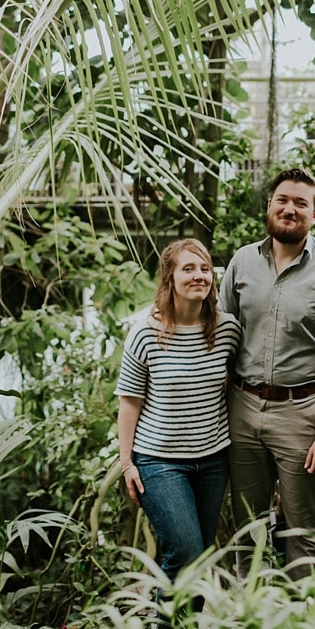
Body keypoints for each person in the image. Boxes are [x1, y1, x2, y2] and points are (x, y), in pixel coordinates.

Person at [218, 168, 315, 573]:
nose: (290, 208)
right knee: (245, 533)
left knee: (304, 536)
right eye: (283, 199)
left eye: (301, 203)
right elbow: (221, 336)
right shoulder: (243, 262)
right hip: (242, 410)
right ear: (270, 206)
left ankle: (302, 628)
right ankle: (252, 627)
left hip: (302, 415)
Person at [117, 239, 239, 597]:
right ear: (169, 277)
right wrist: (128, 464)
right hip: (160, 462)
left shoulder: (227, 329)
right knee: (184, 551)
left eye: (205, 269)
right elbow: (129, 403)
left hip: (213, 460)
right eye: (189, 269)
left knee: (200, 559)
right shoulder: (145, 332)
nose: (199, 276)